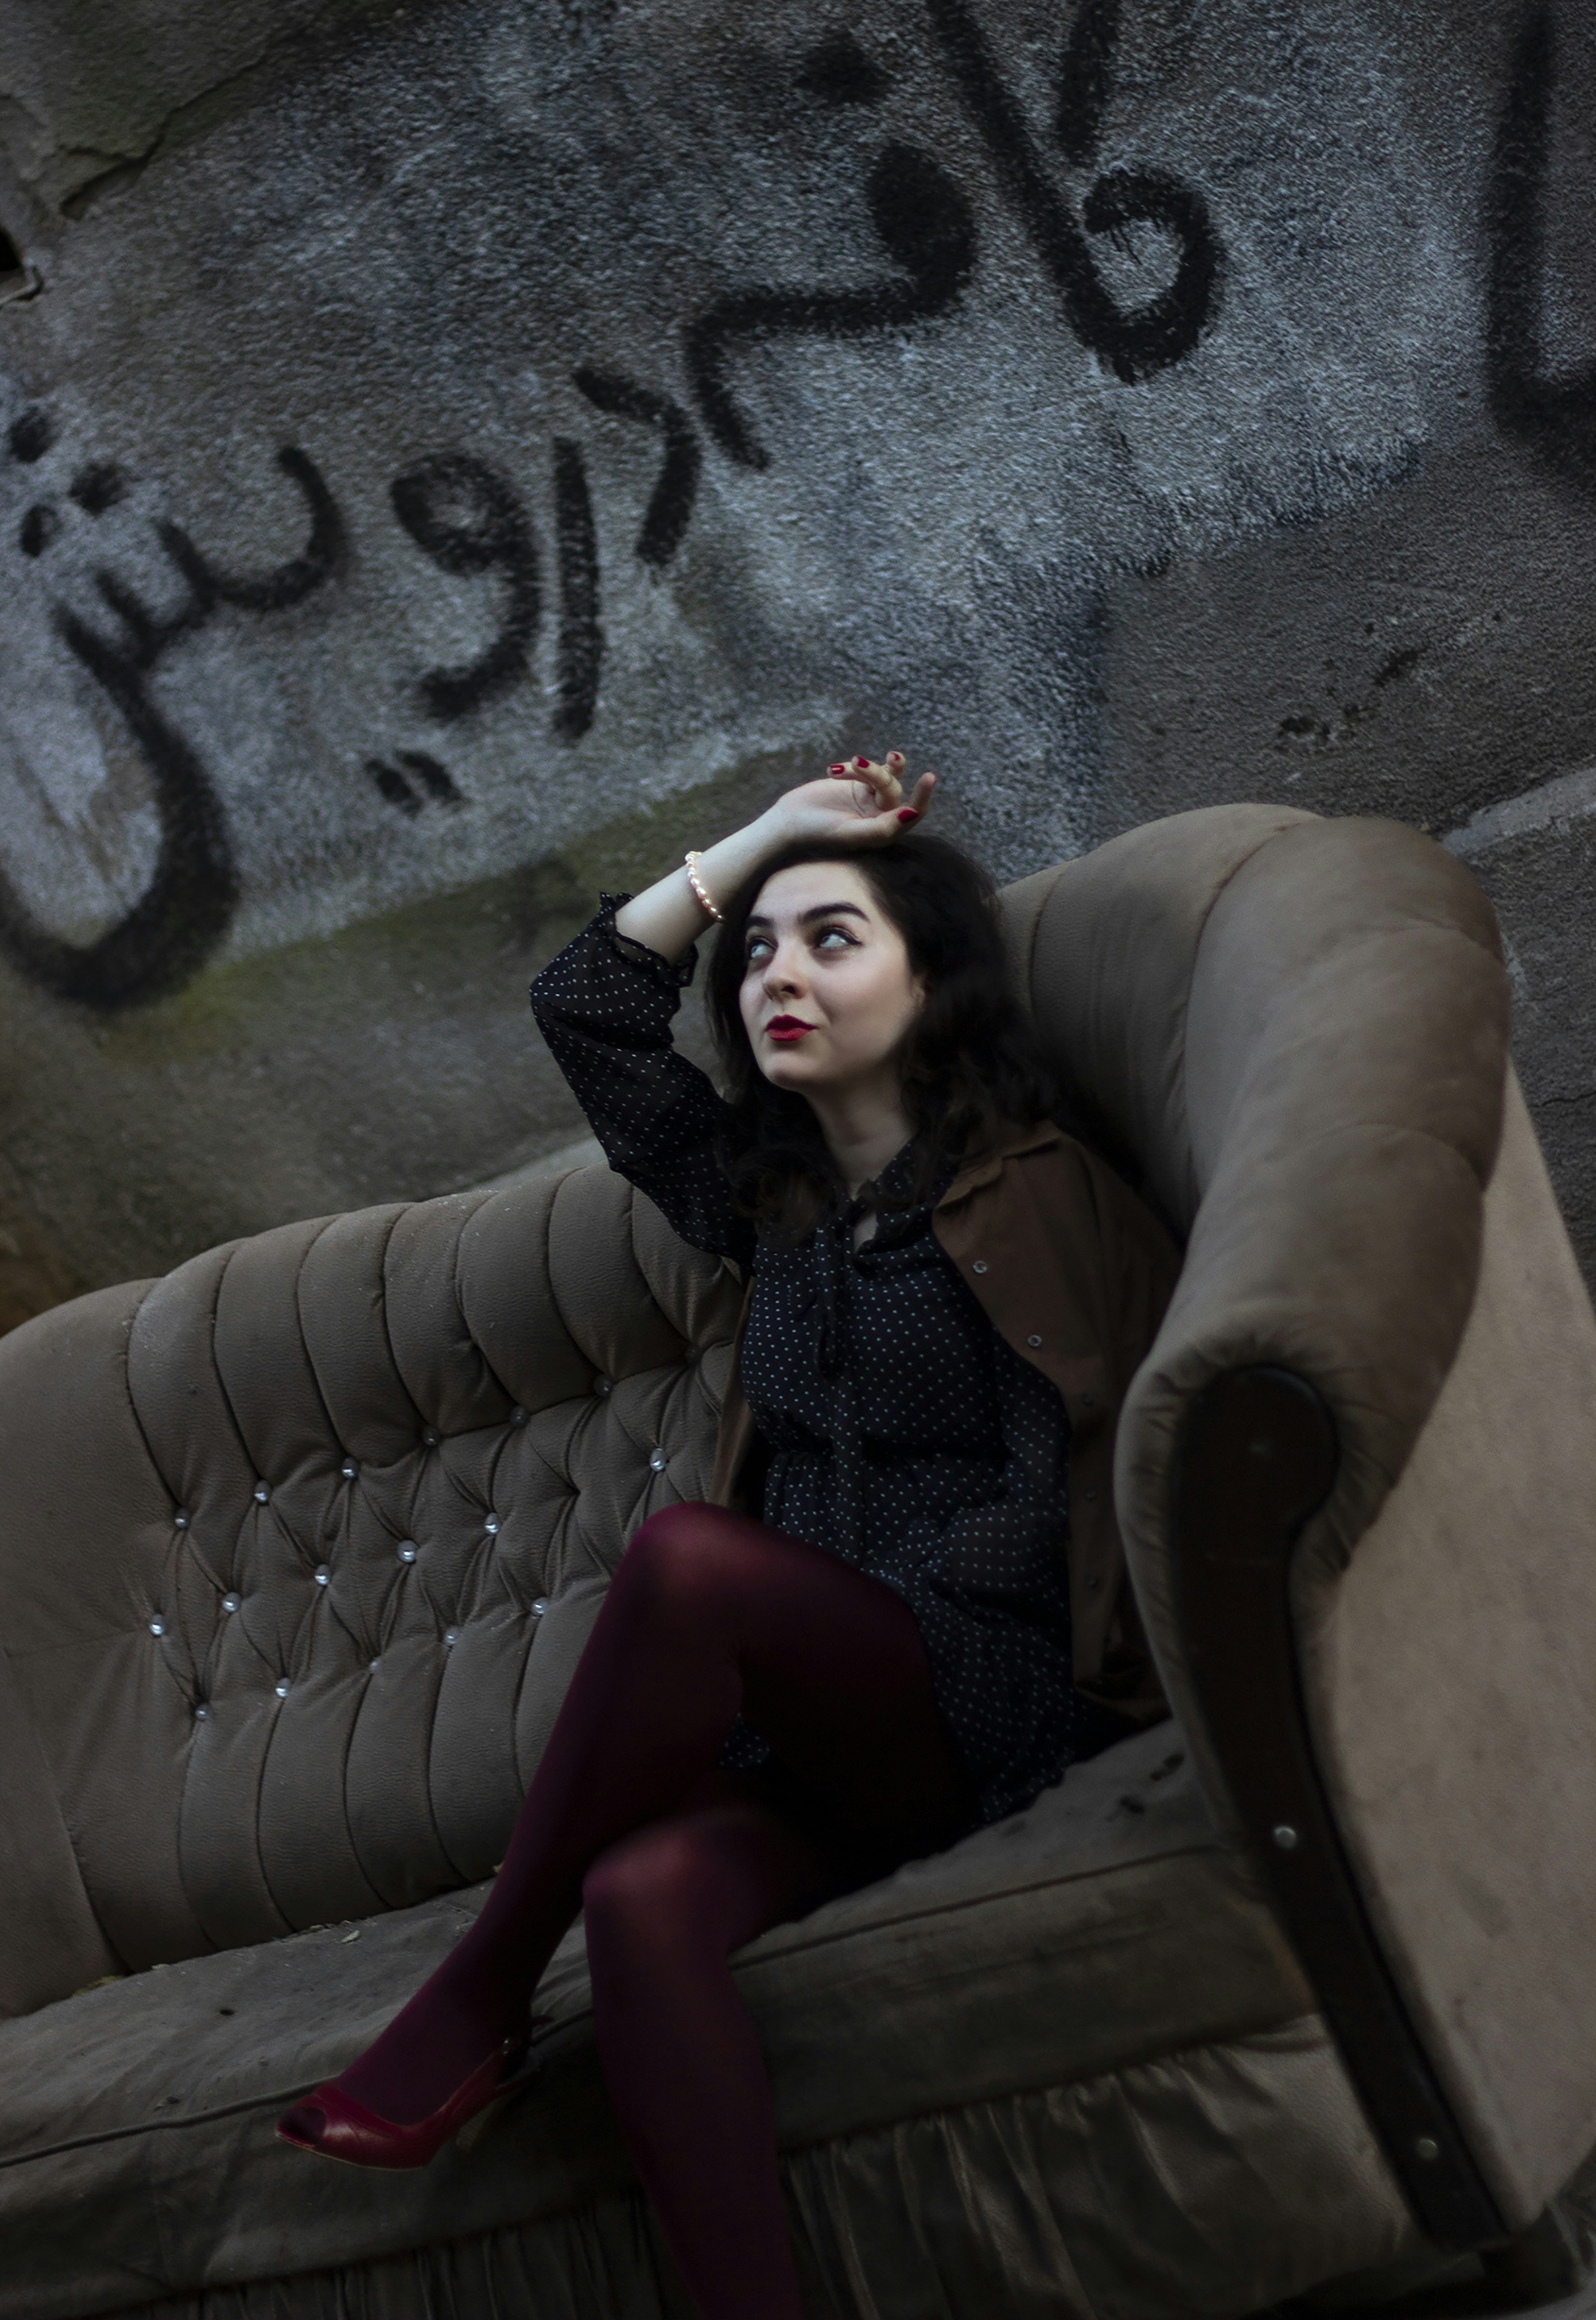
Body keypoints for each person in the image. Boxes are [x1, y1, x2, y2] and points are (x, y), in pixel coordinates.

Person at [277, 751, 1180, 2320]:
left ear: (934, 979)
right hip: (826, 1750)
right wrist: (766, 844)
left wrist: (819, 1623)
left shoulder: (1029, 1196)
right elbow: (589, 1009)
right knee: (641, 1905)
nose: (779, 972)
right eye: (760, 951)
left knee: (690, 1565)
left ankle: (480, 1992)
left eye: (833, 940)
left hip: (995, 1701)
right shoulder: (774, 1208)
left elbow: (1060, 1510)